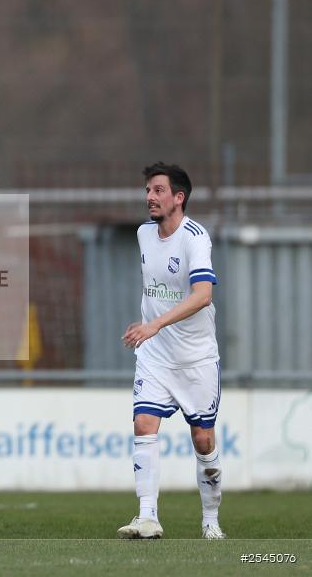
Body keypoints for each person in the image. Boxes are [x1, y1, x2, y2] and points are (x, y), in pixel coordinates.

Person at [117, 162, 224, 539]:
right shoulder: (144, 234)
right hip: (155, 355)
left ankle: (210, 519)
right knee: (144, 425)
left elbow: (203, 294)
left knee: (203, 440)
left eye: (158, 190)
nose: (150, 196)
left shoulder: (196, 238)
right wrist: (153, 331)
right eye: (148, 189)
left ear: (178, 198)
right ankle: (147, 516)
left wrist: (156, 324)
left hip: (195, 359)